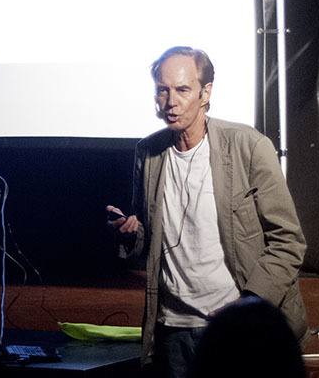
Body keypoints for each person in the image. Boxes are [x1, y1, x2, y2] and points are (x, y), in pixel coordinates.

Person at [107, 46, 307, 378]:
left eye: (182, 89)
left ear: (206, 92)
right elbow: (149, 241)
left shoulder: (248, 146)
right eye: (163, 90)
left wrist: (247, 306)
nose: (171, 101)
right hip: (172, 327)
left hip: (236, 330)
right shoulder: (149, 152)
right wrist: (130, 233)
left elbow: (288, 241)